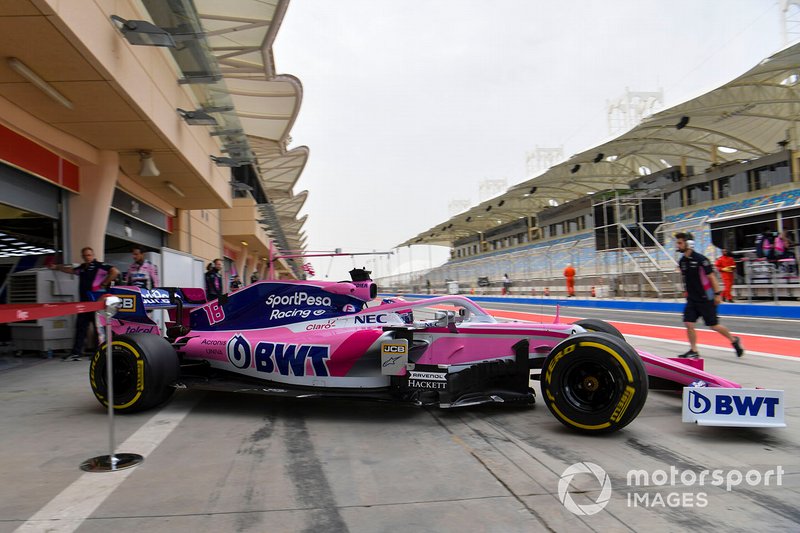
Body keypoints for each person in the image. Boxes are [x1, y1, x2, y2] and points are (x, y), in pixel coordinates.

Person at [675, 233, 743, 358]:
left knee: (714, 325)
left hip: (705, 298)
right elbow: (685, 277)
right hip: (692, 299)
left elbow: (711, 277)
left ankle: (734, 340)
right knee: (688, 323)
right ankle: (694, 351)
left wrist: (717, 294)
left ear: (689, 244)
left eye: (680, 243)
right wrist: (686, 290)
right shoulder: (682, 261)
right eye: (677, 242)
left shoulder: (701, 260)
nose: (677, 245)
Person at [49, 247, 120, 361]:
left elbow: (115, 272)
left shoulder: (99, 266)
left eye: (89, 255)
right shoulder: (82, 268)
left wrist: (104, 283)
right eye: (85, 255)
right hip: (83, 304)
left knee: (98, 329)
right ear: (83, 256)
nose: (88, 257)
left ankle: (101, 353)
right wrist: (56, 267)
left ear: (93, 255)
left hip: (96, 303)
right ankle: (76, 353)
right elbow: (71, 270)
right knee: (80, 328)